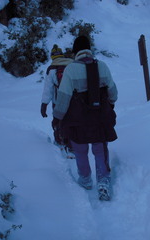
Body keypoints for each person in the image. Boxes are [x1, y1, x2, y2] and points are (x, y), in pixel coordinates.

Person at [53, 36, 118, 201]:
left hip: (77, 122)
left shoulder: (70, 70)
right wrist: (108, 105)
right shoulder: (102, 66)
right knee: (100, 149)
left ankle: (86, 179)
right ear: (89, 49)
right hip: (99, 119)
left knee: (81, 151)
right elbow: (113, 93)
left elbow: (63, 97)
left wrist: (57, 118)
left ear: (75, 52)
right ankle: (103, 181)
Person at [40, 44, 74, 158]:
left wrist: (44, 104)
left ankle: (59, 141)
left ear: (52, 57)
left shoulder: (52, 69)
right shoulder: (72, 65)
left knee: (58, 121)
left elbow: (48, 89)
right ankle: (72, 145)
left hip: (58, 100)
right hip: (72, 99)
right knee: (71, 121)